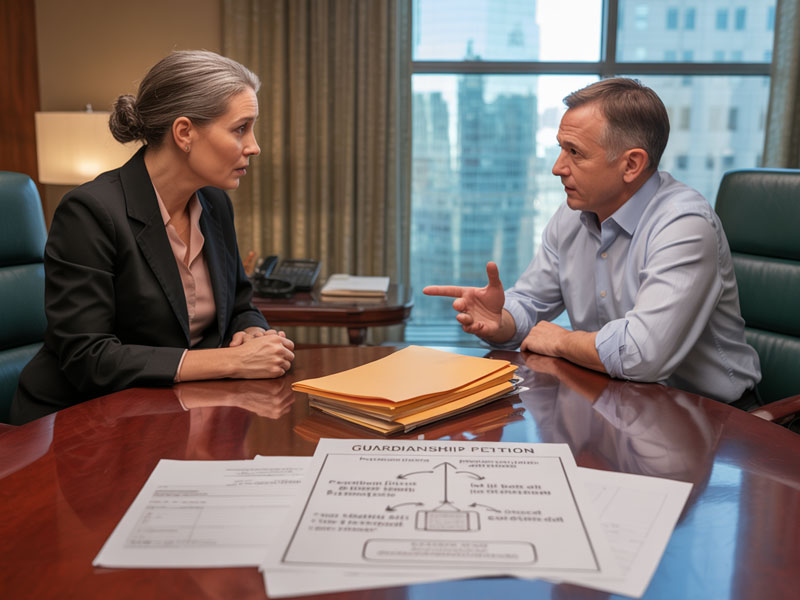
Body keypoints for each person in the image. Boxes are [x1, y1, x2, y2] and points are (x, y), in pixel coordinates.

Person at [424, 78, 761, 408]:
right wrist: (501, 322)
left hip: (713, 420)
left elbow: (642, 356)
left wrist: (562, 340)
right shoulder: (573, 214)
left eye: (575, 153)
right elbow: (529, 302)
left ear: (631, 164)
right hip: (616, 403)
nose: (558, 168)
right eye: (561, 148)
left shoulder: (684, 225)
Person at [11, 50, 295, 424]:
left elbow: (240, 306)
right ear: (184, 133)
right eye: (240, 128)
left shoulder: (215, 204)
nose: (254, 145)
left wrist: (252, 333)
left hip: (174, 413)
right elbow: (88, 357)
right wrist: (232, 360)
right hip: (82, 426)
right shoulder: (90, 211)